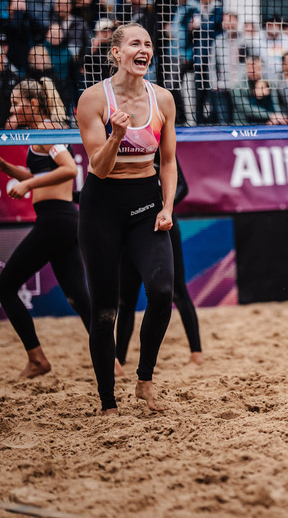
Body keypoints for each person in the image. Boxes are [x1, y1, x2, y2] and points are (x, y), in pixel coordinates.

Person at [76, 22, 178, 415]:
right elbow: (98, 169)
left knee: (163, 292)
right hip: (101, 207)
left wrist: (167, 206)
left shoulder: (163, 100)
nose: (144, 49)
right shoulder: (93, 99)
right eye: (135, 43)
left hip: (145, 205)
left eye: (148, 44)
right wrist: (116, 135)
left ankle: (144, 380)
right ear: (115, 52)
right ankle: (107, 401)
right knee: (105, 312)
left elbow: (168, 162)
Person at [0, 78, 91, 378]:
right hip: (62, 220)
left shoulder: (46, 129)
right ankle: (114, 363)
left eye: (17, 102)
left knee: (4, 288)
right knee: (78, 297)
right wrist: (7, 169)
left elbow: (69, 168)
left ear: (33, 104)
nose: (13, 107)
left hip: (56, 219)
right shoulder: (38, 134)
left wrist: (28, 183)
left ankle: (37, 359)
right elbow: (38, 172)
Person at [116, 158, 202, 369]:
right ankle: (119, 359)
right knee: (126, 298)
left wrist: (164, 207)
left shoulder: (157, 147)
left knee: (178, 291)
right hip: (131, 229)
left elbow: (181, 186)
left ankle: (196, 354)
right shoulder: (118, 147)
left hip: (163, 225)